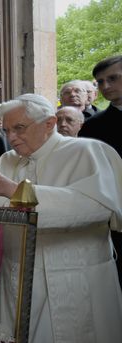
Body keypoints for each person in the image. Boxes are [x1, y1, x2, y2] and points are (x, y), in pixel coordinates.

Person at [0, 94, 122, 343]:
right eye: (7, 130)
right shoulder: (7, 161)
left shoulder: (88, 151)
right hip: (18, 281)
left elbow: (98, 207)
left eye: (20, 128)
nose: (11, 138)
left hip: (76, 282)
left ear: (50, 123)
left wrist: (17, 191)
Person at [78, 55, 122, 285]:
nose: (105, 86)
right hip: (112, 218)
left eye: (113, 78)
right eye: (100, 82)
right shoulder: (93, 126)